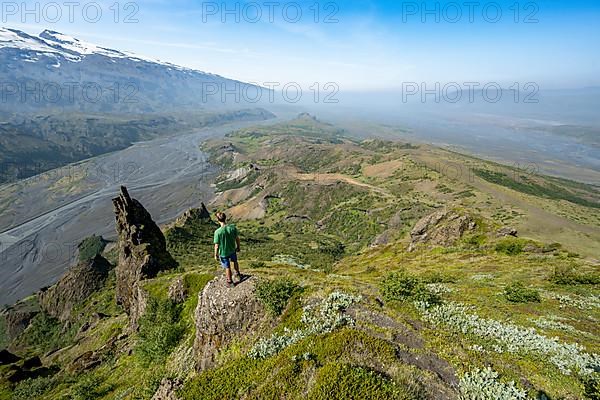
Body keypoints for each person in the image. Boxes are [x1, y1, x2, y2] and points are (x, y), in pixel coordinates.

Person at [213, 212, 242, 288]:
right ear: (225, 218)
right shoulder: (232, 228)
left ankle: (230, 281)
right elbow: (237, 239)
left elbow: (217, 245)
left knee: (227, 267)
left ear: (218, 220)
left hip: (223, 252)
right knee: (235, 261)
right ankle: (237, 273)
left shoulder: (217, 232)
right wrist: (238, 247)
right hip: (232, 249)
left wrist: (215, 254)